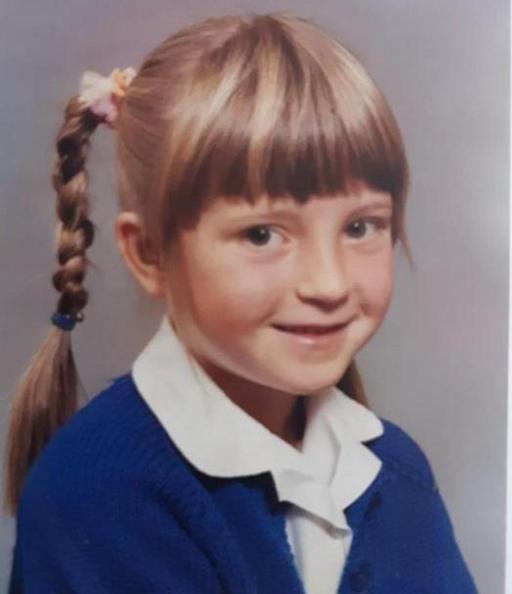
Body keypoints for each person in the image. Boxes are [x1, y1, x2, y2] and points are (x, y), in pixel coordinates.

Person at [6, 13, 476, 594]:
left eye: (360, 227)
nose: (328, 283)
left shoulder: (398, 471)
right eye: (262, 235)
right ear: (150, 253)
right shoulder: (95, 492)